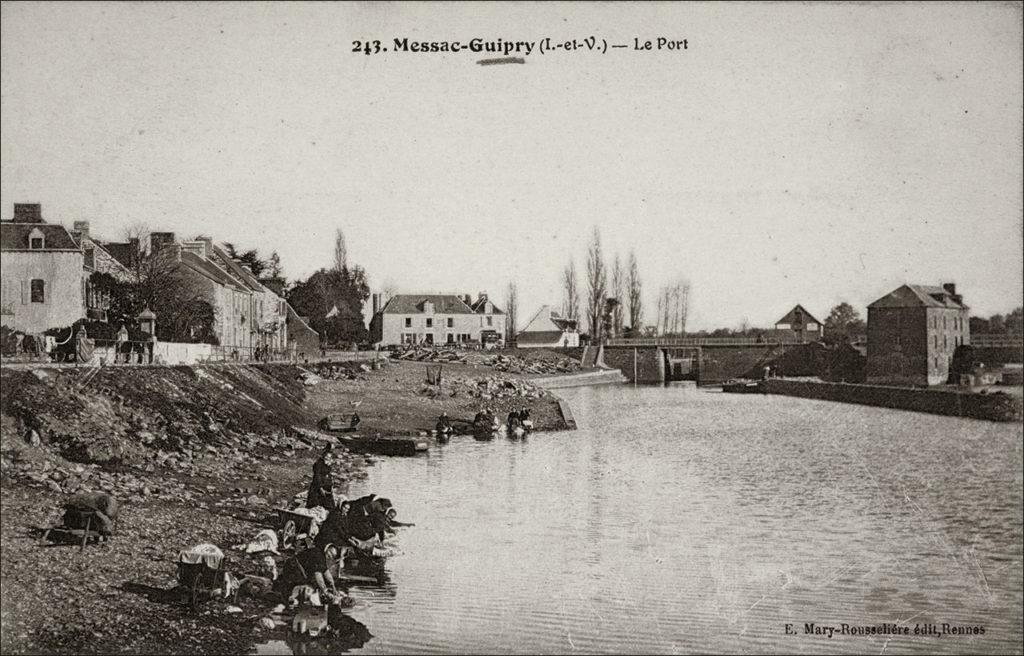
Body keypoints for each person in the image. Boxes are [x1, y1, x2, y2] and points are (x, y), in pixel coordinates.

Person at [274, 543, 342, 604]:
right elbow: (318, 576)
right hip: (292, 568)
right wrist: (325, 591)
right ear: (326, 549)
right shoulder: (318, 555)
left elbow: (326, 572)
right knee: (294, 589)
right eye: (330, 552)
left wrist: (333, 587)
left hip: (298, 569)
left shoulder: (322, 557)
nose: (330, 555)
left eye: (333, 555)